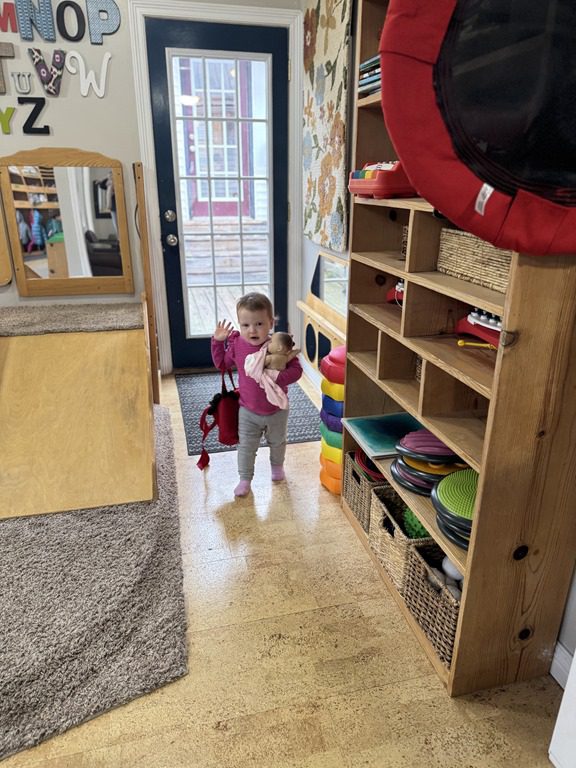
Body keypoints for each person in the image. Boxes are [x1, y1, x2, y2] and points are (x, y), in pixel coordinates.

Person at [212, 292, 303, 497]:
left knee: (277, 442)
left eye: (259, 324)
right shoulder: (237, 345)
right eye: (245, 325)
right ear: (239, 324)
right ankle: (245, 479)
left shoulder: (278, 346)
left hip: (276, 409)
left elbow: (297, 371)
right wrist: (217, 342)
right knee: (246, 447)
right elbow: (222, 364)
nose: (252, 330)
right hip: (248, 410)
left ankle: (277, 467)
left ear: (271, 323)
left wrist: (275, 377)